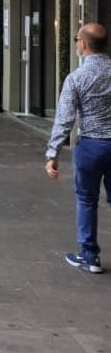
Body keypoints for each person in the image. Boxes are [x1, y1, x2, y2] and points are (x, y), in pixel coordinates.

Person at [45, 23, 111, 274]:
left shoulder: (77, 78)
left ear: (83, 44)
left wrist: (53, 153)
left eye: (76, 39)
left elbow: (64, 119)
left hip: (91, 147)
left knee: (86, 200)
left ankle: (89, 256)